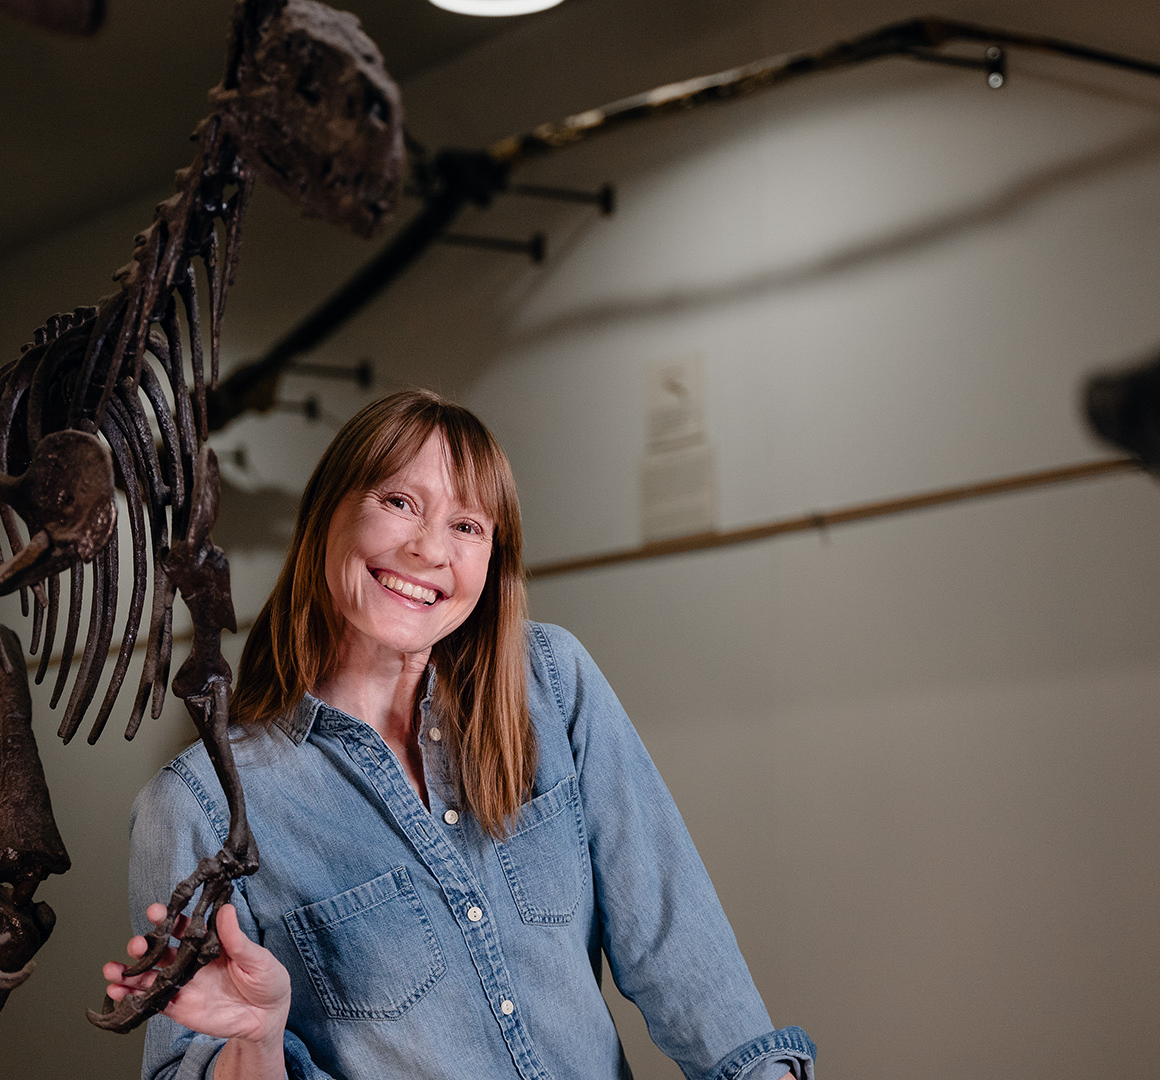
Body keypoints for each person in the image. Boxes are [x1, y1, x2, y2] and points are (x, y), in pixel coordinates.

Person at [104, 389, 813, 1080]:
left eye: (467, 526)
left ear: (492, 559)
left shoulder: (552, 684)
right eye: (399, 502)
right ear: (328, 516)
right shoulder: (199, 806)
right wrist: (256, 1044)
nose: (427, 550)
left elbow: (681, 949)